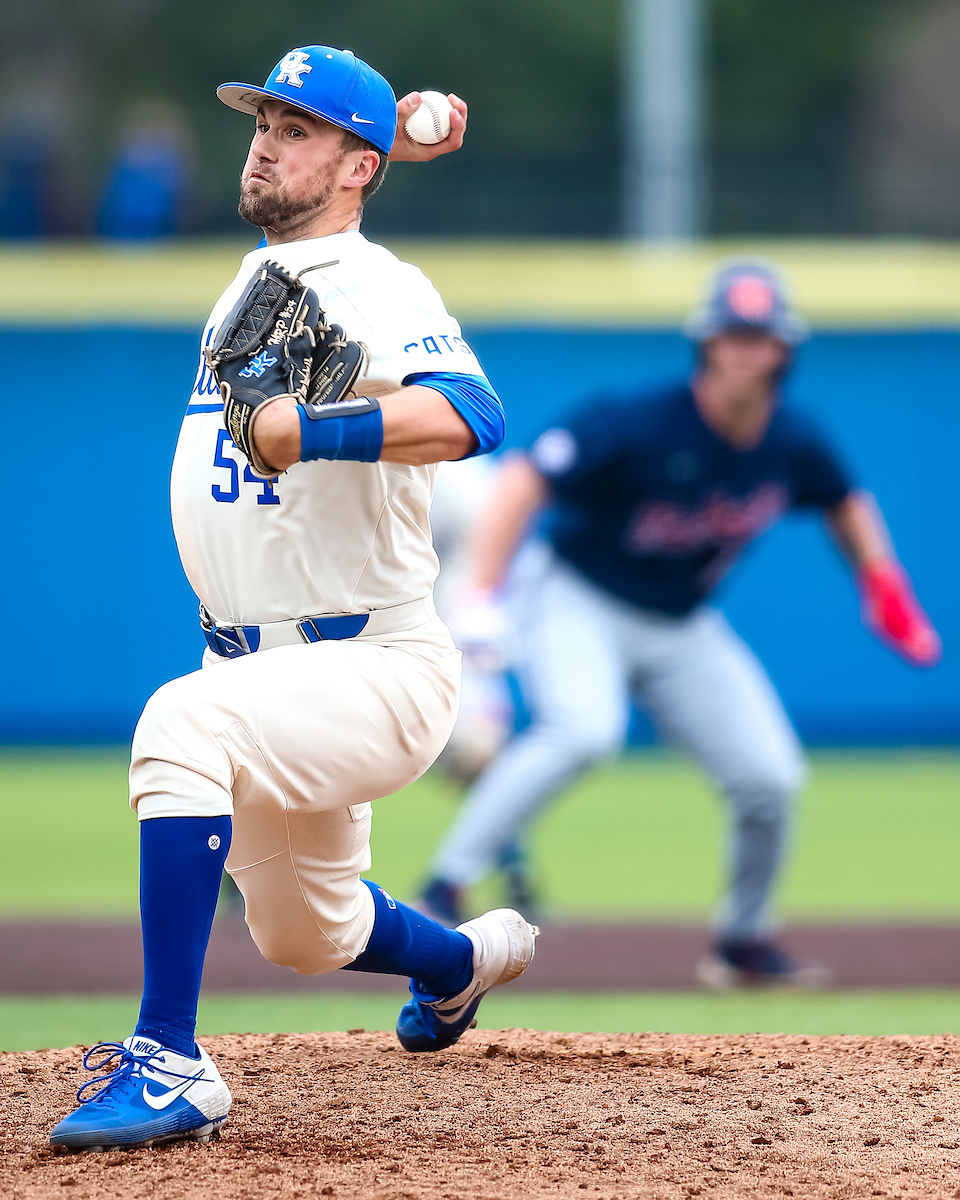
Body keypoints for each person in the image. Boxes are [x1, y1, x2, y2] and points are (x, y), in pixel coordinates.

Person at [50, 46, 538, 1153]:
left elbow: (474, 414)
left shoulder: (380, 284)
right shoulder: (270, 268)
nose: (264, 142)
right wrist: (386, 134)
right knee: (307, 934)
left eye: (295, 129)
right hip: (263, 667)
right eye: (263, 122)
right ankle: (460, 962)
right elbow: (329, 191)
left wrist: (316, 429)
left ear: (354, 168)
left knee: (179, 724)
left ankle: (168, 1062)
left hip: (375, 663)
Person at [418, 261, 941, 987]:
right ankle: (445, 885)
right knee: (583, 730)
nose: (744, 351)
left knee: (771, 777)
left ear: (783, 350)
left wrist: (883, 584)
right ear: (706, 343)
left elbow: (844, 499)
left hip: (679, 622)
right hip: (579, 595)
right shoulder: (641, 419)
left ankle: (743, 943)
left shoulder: (792, 437)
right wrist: (481, 590)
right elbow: (523, 480)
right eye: (731, 335)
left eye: (759, 337)